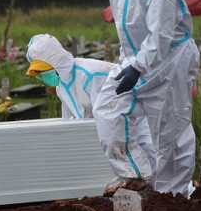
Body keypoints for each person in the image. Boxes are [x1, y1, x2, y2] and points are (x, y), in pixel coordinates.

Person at [92, 0, 199, 198]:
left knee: (171, 128)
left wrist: (137, 67)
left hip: (171, 60)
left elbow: (160, 36)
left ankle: (173, 196)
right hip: (137, 60)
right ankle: (135, 174)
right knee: (107, 107)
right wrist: (130, 62)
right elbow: (127, 28)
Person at [25, 33, 156, 195]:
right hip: (111, 141)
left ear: (57, 62)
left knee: (152, 176)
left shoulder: (90, 74)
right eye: (38, 72)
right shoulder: (62, 86)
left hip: (132, 130)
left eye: (44, 70)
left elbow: (110, 118)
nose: (43, 75)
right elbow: (72, 124)